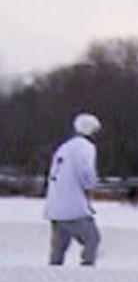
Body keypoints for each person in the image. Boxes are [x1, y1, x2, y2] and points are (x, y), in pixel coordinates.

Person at [45, 112, 103, 265]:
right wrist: (91, 187)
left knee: (58, 249)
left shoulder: (64, 147)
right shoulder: (85, 147)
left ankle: (52, 277)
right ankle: (86, 271)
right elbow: (86, 173)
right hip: (73, 207)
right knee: (93, 239)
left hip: (55, 207)